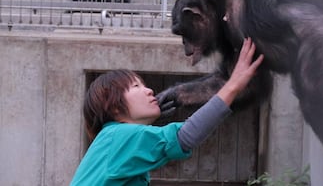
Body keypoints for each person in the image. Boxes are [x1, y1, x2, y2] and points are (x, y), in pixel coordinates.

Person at [70, 38, 263, 185]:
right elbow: (185, 136)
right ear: (113, 107)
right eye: (136, 86)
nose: (149, 90)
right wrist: (233, 86)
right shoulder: (119, 135)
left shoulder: (114, 140)